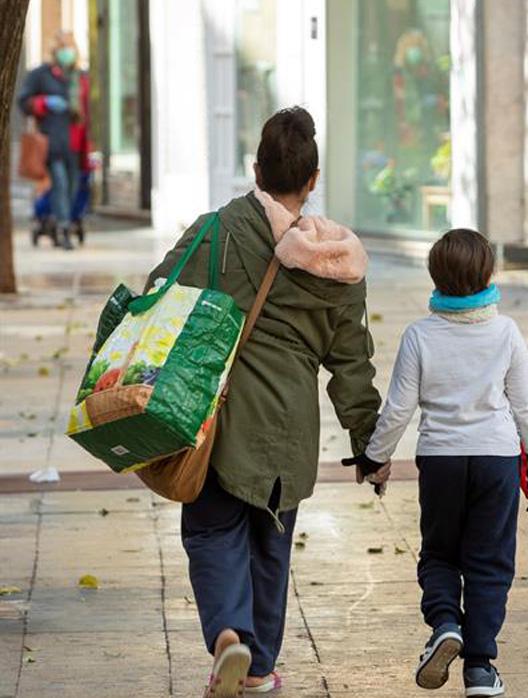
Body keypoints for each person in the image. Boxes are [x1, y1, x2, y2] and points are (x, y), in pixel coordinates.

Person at [146, 107, 382, 697]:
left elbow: (159, 296)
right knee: (270, 544)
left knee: (210, 532)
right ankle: (258, 669)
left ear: (256, 169)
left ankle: (228, 635)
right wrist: (368, 443)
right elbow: (351, 361)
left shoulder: (217, 230)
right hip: (289, 429)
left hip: (219, 421)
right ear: (313, 178)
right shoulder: (338, 261)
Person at [343, 229, 528, 697]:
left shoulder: (420, 335)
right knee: (490, 561)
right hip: (496, 459)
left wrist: (375, 458)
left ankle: (443, 624)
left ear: (435, 276)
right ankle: (479, 667)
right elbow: (526, 405)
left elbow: (398, 409)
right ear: (488, 275)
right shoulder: (505, 332)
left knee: (439, 552)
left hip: (440, 461)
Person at [18, 31, 91, 249]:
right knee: (59, 184)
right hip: (51, 141)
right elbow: (23, 102)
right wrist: (44, 103)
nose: (67, 53)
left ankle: (62, 222)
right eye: (62, 48)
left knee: (73, 186)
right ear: (55, 51)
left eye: (70, 47)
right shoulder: (41, 74)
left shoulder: (80, 76)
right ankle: (63, 229)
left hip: (76, 143)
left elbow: (87, 111)